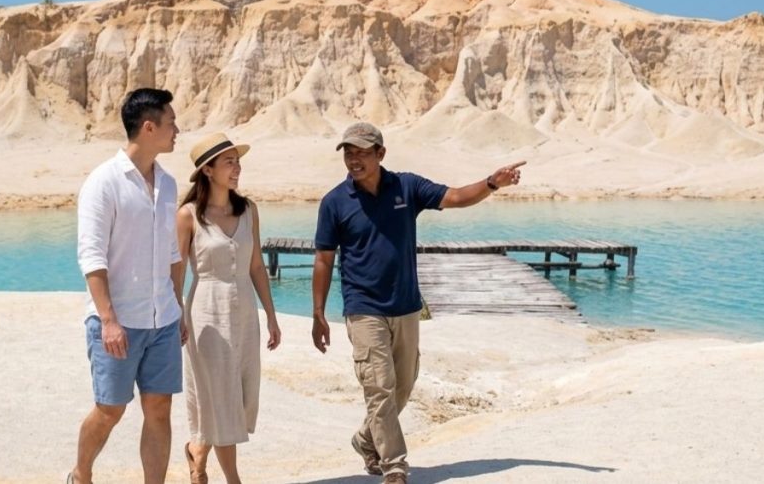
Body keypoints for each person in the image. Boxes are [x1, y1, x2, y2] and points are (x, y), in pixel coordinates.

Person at [311, 122, 525, 484]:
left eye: (362, 152)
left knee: (403, 386)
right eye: (348, 152)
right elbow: (324, 258)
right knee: (379, 386)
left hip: (406, 306)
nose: (353, 159)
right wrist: (318, 312)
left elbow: (456, 196)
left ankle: (366, 439)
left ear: (381, 153)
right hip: (363, 308)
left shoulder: (406, 187)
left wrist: (491, 183)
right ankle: (394, 468)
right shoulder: (334, 202)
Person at [69, 88, 187, 484]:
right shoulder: (103, 183)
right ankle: (81, 475)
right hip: (118, 321)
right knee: (110, 410)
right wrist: (108, 320)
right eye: (171, 123)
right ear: (149, 127)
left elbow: (173, 253)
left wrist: (178, 309)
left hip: (163, 320)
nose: (177, 130)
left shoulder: (168, 184)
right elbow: (92, 257)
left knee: (159, 409)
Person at [177, 133, 282, 484]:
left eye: (238, 161)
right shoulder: (188, 215)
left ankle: (197, 449)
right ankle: (233, 480)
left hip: (245, 313)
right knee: (220, 397)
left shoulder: (249, 209)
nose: (238, 168)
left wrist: (271, 315)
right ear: (208, 170)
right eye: (230, 162)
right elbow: (176, 271)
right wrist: (177, 313)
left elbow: (256, 267)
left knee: (241, 393)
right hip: (206, 312)